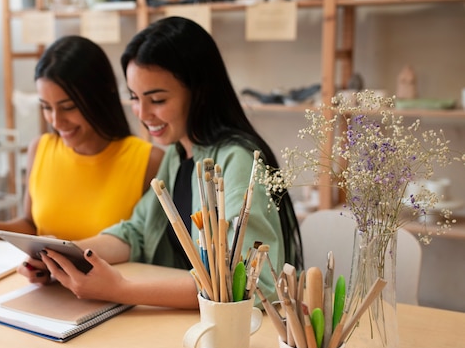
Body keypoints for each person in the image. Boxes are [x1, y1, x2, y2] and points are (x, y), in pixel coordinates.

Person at [19, 17, 302, 309]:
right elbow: (136, 233)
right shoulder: (178, 154)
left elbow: (246, 283)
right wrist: (66, 256)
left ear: (199, 92)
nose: (142, 113)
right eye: (134, 98)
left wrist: (121, 290)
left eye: (157, 100)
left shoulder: (237, 160)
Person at [0, 35, 163, 246]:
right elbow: (31, 225)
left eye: (68, 107)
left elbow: (146, 248)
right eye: (46, 107)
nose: (56, 121)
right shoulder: (40, 148)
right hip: (45, 278)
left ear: (100, 96)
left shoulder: (149, 161)